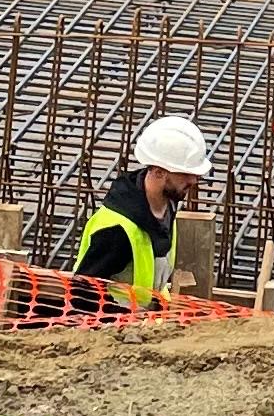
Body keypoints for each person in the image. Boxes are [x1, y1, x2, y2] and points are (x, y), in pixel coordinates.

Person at [71, 115, 211, 306]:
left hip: (147, 320)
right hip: (116, 329)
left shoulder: (168, 204)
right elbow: (82, 294)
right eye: (185, 174)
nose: (193, 181)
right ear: (159, 172)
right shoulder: (117, 231)